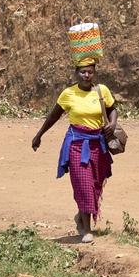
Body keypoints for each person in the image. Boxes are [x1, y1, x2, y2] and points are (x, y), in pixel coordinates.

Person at [31, 58, 118, 243]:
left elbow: (112, 109)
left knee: (94, 185)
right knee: (84, 184)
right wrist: (39, 135)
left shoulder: (102, 91)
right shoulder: (68, 93)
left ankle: (80, 216)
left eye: (90, 72)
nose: (87, 75)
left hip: (98, 144)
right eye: (83, 72)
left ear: (94, 73)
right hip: (77, 144)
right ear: (76, 73)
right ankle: (86, 230)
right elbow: (53, 116)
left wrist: (112, 123)